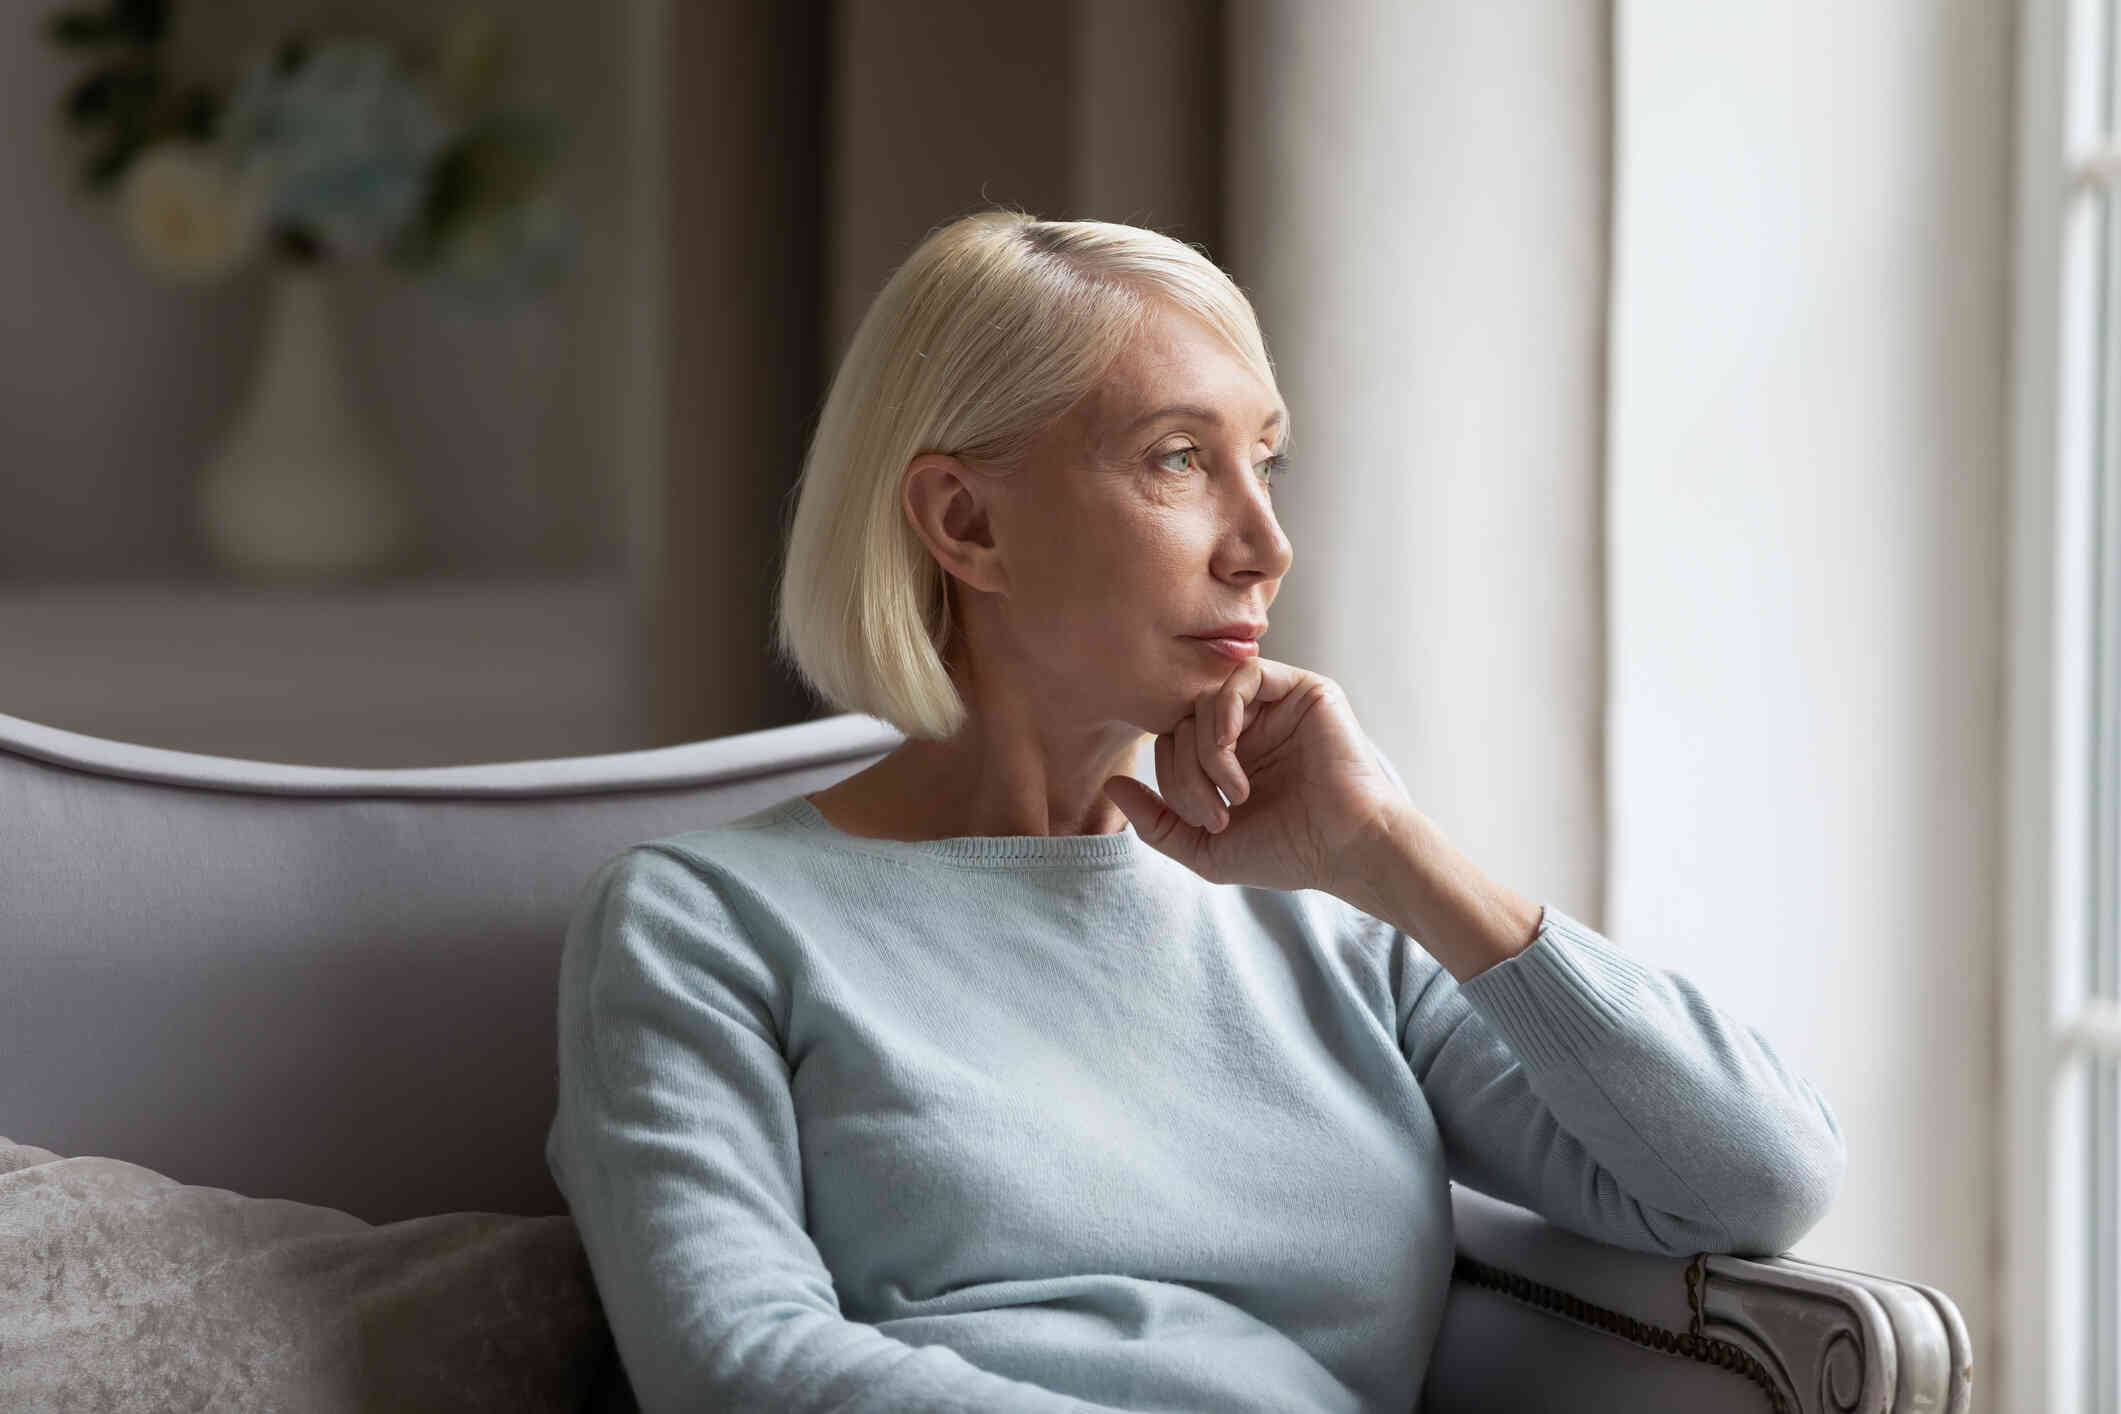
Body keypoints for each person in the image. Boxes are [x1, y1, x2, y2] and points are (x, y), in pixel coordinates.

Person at [545, 210, 1846, 1414]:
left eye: (1264, 460)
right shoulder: (699, 922)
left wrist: (1393, 853)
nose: (1264, 543)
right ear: (963, 521)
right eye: (1178, 458)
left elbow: (1751, 1178)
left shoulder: (1333, 916)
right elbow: (738, 1366)